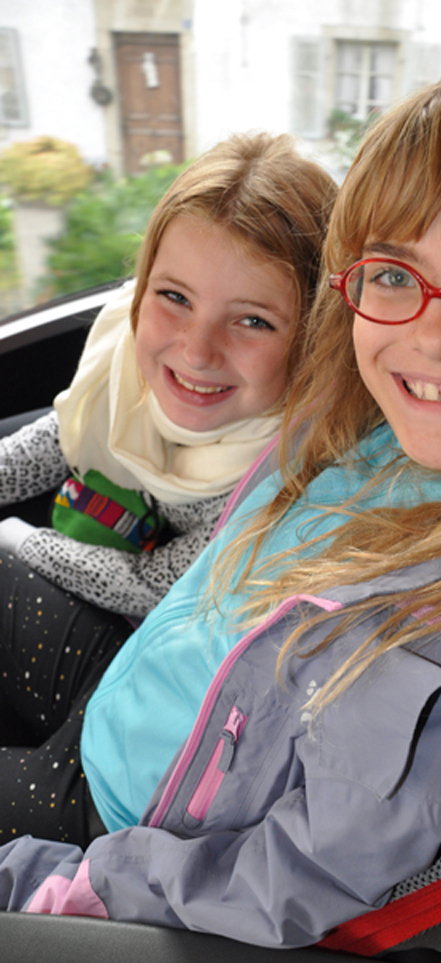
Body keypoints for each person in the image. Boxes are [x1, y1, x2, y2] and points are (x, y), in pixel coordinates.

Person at [0, 73, 441, 946]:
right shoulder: (368, 426)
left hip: (123, 830)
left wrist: (60, 888)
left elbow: (283, 880)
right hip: (131, 703)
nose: (436, 332)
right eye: (395, 273)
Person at [0, 132, 336, 789]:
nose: (197, 350)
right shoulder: (122, 357)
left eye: (254, 321)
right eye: (174, 298)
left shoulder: (280, 475)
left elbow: (149, 585)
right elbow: (63, 437)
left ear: (314, 336)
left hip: (148, 665)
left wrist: (16, 538)